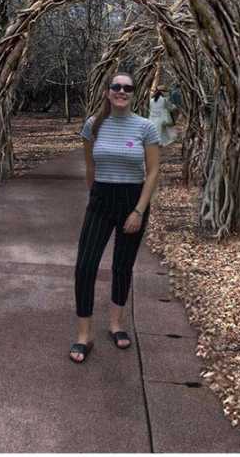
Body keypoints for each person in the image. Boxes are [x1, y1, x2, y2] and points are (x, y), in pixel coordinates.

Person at [71, 72, 160, 363]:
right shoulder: (93, 125)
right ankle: (84, 335)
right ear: (108, 91)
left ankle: (116, 325)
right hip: (101, 199)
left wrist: (138, 210)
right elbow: (90, 167)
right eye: (116, 87)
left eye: (127, 88)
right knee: (85, 265)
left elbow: (153, 172)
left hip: (131, 201)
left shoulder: (145, 127)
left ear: (134, 93)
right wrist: (95, 197)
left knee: (122, 265)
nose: (121, 91)